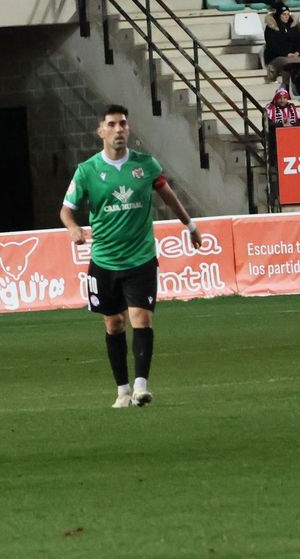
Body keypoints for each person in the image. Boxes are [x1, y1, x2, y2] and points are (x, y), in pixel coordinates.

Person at [59, 103, 201, 409]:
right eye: (111, 124)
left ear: (129, 128)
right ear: (100, 131)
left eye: (123, 123)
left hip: (141, 259)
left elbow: (168, 194)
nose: (118, 129)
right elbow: (66, 210)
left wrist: (189, 224)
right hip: (104, 261)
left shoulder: (145, 165)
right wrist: (73, 228)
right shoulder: (87, 172)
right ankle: (122, 390)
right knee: (114, 325)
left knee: (141, 318)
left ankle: (140, 387)